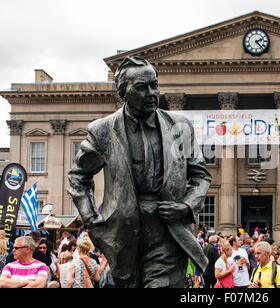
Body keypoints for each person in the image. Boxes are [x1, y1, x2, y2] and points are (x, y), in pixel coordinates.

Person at [68, 56, 212, 288]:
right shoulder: (103, 130)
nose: (151, 93)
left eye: (154, 85)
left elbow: (201, 175)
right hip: (122, 236)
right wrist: (91, 219)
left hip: (167, 233)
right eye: (141, 87)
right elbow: (78, 177)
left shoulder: (180, 126)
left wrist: (185, 206)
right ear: (123, 92)